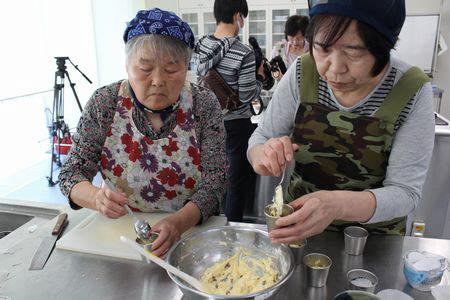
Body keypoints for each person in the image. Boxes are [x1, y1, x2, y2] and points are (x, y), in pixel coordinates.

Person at [248, 0, 435, 242]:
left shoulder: (411, 89)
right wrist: (263, 154)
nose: (334, 69)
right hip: (299, 229)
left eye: (354, 52)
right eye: (323, 48)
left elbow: (405, 193)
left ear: (384, 47)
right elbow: (260, 138)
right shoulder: (302, 72)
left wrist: (336, 205)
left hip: (375, 241)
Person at [59, 8, 227, 256]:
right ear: (127, 65)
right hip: (119, 234)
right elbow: (72, 172)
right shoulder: (105, 103)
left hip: (190, 230)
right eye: (145, 68)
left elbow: (216, 181)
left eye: (171, 70)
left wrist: (179, 223)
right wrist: (96, 198)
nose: (158, 80)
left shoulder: (203, 104)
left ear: (186, 67)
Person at [194, 0, 263, 222]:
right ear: (238, 16)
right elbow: (246, 95)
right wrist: (260, 78)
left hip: (205, 123)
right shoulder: (244, 52)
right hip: (235, 125)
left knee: (211, 179)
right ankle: (231, 232)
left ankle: (209, 224)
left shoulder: (201, 45)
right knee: (235, 183)